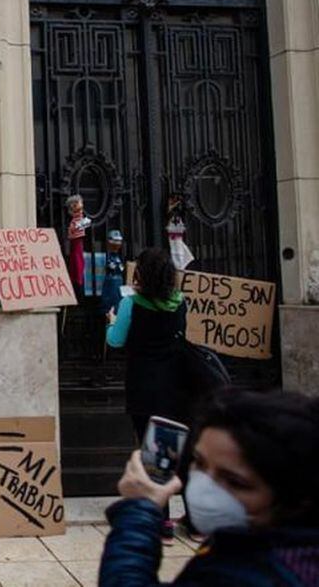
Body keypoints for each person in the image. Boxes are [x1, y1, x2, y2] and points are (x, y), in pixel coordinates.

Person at [99, 389, 319, 586]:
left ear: (296, 498)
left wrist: (139, 510)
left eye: (235, 482)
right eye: (199, 462)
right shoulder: (251, 546)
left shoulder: (267, 574)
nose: (205, 486)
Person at [106, 246, 189, 542]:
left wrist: (112, 320)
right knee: (174, 451)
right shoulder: (181, 303)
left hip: (143, 386)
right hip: (175, 386)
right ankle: (191, 519)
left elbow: (115, 341)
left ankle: (161, 521)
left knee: (150, 450)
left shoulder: (131, 304)